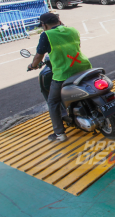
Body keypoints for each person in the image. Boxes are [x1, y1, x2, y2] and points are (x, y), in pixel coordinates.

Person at [28, 13, 92, 142]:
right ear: (59, 20)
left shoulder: (46, 35)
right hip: (84, 67)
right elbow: (76, 47)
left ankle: (59, 134)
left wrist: (33, 65)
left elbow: (38, 57)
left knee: (52, 102)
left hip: (63, 73)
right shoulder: (73, 30)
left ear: (44, 25)